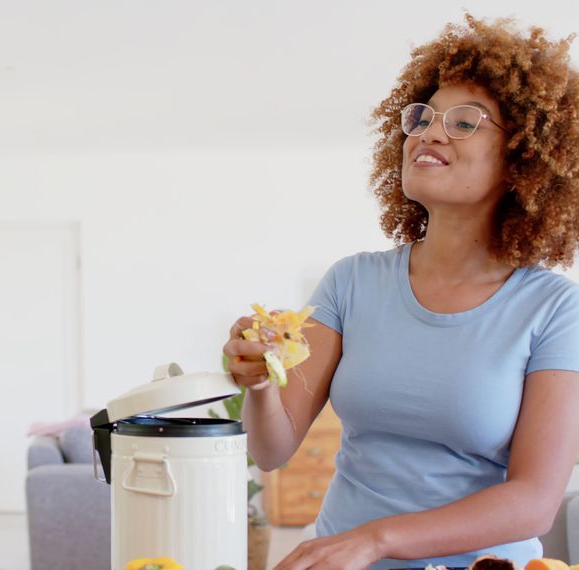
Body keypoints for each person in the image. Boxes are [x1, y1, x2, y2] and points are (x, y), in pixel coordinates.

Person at [224, 15, 579, 570]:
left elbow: (534, 503)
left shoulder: (555, 308)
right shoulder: (352, 281)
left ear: (521, 161)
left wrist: (375, 540)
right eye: (424, 117)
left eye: (465, 122)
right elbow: (271, 450)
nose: (429, 133)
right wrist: (262, 380)